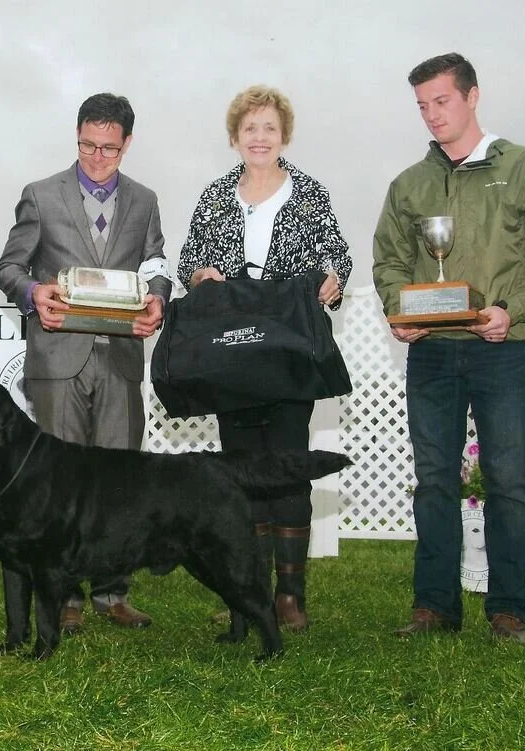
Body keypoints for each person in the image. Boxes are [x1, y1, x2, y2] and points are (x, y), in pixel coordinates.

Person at [373, 53, 525, 644]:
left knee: (507, 480)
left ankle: (508, 610)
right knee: (434, 479)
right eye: (421, 106)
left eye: (441, 101)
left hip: (504, 347)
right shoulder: (409, 184)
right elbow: (389, 259)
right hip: (432, 352)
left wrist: (512, 309)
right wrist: (401, 311)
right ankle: (434, 607)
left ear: (472, 97)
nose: (432, 115)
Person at [177, 85, 352, 631]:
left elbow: (337, 255)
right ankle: (248, 594)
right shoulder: (213, 197)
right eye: (250, 128)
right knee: (241, 474)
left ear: (284, 137)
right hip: (231, 355)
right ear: (235, 138)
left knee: (288, 468)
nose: (259, 137)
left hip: (287, 354)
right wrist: (198, 275)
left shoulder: (310, 194)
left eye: (269, 128)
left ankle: (290, 598)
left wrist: (332, 278)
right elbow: (190, 257)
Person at [0, 93, 171, 633]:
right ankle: (63, 596)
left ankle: (113, 593)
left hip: (119, 358)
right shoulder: (41, 195)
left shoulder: (144, 200)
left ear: (127, 144)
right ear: (76, 136)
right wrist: (33, 293)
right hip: (57, 358)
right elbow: (8, 267)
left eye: (109, 149)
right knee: (57, 487)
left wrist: (159, 301)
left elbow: (157, 265)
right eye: (87, 145)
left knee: (120, 483)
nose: (97, 157)